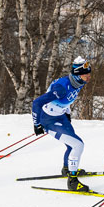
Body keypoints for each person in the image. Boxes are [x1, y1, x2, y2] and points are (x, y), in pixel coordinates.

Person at [31, 57, 92, 192]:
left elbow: (68, 99)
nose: (88, 77)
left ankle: (67, 169)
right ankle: (72, 181)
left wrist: (67, 112)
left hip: (61, 116)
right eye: (85, 74)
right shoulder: (61, 88)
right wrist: (37, 124)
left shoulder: (78, 82)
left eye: (89, 74)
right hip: (48, 120)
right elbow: (37, 103)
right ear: (77, 75)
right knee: (78, 145)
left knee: (72, 144)